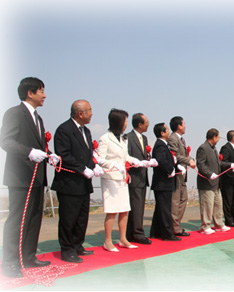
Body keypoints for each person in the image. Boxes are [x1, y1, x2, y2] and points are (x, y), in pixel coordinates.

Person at [0, 77, 59, 278]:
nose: (44, 95)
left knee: (34, 218)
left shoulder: (38, 118)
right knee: (18, 220)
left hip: (37, 177)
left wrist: (49, 155)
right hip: (20, 177)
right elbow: (6, 141)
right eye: (41, 90)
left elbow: (38, 145)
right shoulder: (15, 113)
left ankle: (28, 256)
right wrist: (29, 152)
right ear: (29, 93)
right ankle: (10, 262)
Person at [51, 100, 103, 263]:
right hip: (69, 182)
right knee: (69, 218)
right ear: (80, 113)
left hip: (83, 183)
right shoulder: (64, 130)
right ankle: (67, 249)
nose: (92, 113)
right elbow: (64, 155)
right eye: (89, 110)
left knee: (82, 217)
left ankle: (77, 244)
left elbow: (88, 154)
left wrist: (93, 166)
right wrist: (82, 168)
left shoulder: (86, 131)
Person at [97, 109, 141, 252]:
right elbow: (99, 159)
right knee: (112, 210)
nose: (127, 124)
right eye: (125, 121)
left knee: (124, 210)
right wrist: (114, 165)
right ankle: (108, 241)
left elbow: (126, 157)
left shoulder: (123, 138)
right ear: (118, 122)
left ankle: (123, 239)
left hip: (122, 178)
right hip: (110, 178)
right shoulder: (105, 138)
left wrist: (139, 162)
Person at [126, 113, 156, 245]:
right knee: (136, 207)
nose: (148, 124)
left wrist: (148, 161)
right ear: (139, 124)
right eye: (146, 122)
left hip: (143, 177)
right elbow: (126, 156)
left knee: (138, 207)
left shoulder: (144, 138)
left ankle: (130, 234)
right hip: (134, 177)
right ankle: (138, 234)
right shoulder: (128, 137)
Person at [150, 123, 182, 241]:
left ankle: (156, 232)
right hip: (163, 183)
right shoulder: (160, 145)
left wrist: (176, 166)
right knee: (165, 210)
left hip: (164, 183)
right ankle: (167, 234)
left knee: (160, 209)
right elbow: (161, 160)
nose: (169, 131)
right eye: (167, 130)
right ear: (162, 133)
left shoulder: (163, 145)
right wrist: (170, 170)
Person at [196, 128, 231, 234]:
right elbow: (200, 164)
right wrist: (209, 174)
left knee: (217, 205)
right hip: (206, 183)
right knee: (207, 205)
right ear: (214, 137)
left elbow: (219, 163)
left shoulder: (214, 149)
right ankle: (205, 226)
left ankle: (219, 225)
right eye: (218, 137)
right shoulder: (203, 148)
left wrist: (230, 165)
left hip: (216, 183)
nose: (219, 139)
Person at [167, 116, 196, 237]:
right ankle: (175, 228)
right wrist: (189, 160)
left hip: (182, 175)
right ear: (179, 126)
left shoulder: (181, 139)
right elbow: (175, 155)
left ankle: (176, 225)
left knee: (183, 199)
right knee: (175, 202)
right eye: (184, 124)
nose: (185, 126)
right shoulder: (173, 138)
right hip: (176, 174)